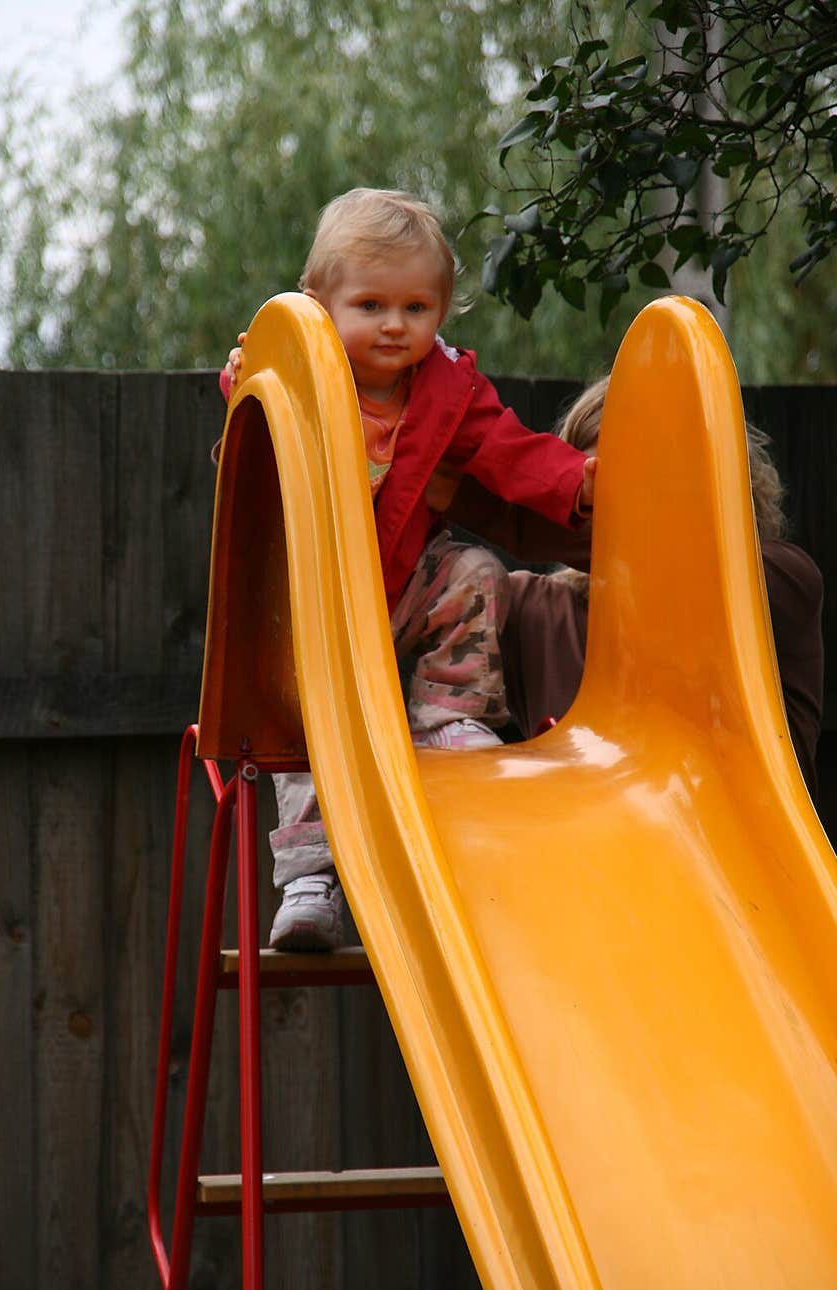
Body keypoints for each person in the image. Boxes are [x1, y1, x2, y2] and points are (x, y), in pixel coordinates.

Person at [217, 187, 597, 949]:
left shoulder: (447, 390)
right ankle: (311, 880)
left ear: (441, 313)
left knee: (474, 572)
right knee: (305, 728)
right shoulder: (299, 375)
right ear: (319, 304)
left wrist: (581, 484)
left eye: (417, 308)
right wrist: (248, 375)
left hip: (405, 579)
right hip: (312, 601)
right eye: (371, 305)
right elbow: (249, 429)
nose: (395, 324)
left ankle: (452, 716)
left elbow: (510, 450)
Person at [450, 376, 824, 802]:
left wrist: (474, 502)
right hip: (587, 863)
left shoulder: (777, 579)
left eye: (649, 478)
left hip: (740, 863)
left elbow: (670, 553)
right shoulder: (538, 612)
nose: (624, 507)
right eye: (597, 490)